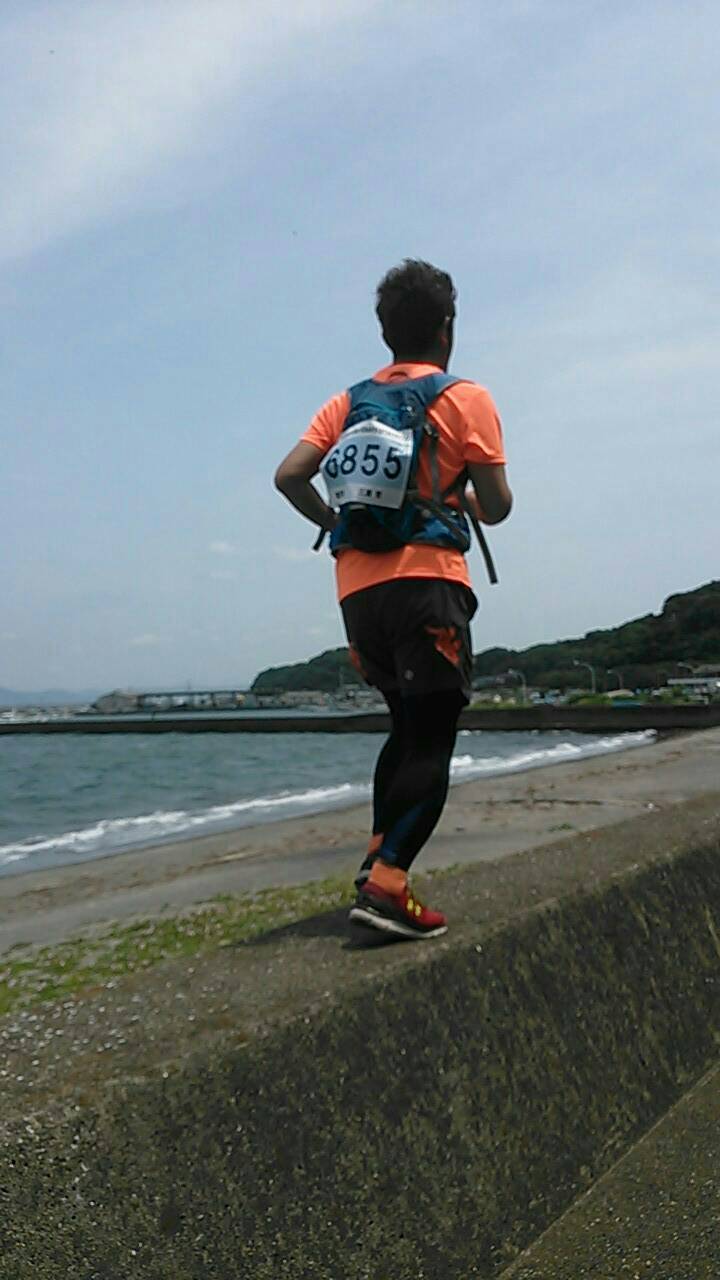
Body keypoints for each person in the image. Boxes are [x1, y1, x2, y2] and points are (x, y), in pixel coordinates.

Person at [275, 259, 512, 939]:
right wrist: (454, 498)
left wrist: (333, 522)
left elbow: (289, 475)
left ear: (385, 332)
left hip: (358, 593)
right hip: (428, 583)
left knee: (405, 727)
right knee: (433, 736)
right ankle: (388, 884)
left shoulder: (346, 403)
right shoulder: (465, 398)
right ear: (447, 328)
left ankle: (376, 862)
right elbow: (497, 506)